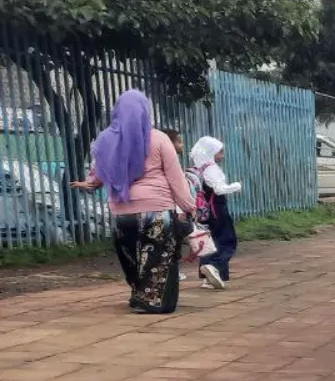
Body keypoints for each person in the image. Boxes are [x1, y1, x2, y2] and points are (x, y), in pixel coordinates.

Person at [71, 90, 196, 314]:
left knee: (131, 257)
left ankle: (139, 294)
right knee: (157, 257)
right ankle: (152, 300)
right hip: (157, 210)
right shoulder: (159, 138)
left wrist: (90, 184)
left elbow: (99, 171)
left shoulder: (108, 138)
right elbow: (176, 178)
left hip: (123, 213)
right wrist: (188, 206)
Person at [189, 136, 242, 289]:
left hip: (202, 212)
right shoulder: (212, 169)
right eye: (220, 152)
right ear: (210, 152)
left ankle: (208, 277)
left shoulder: (197, 168)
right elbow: (219, 189)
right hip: (216, 209)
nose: (222, 156)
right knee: (226, 240)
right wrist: (236, 186)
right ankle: (215, 267)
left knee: (207, 243)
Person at [159, 128, 189, 282]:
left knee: (172, 242)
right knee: (171, 242)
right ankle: (171, 272)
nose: (182, 145)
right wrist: (186, 206)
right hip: (170, 207)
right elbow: (176, 184)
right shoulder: (169, 161)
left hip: (169, 207)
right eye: (179, 141)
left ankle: (171, 271)